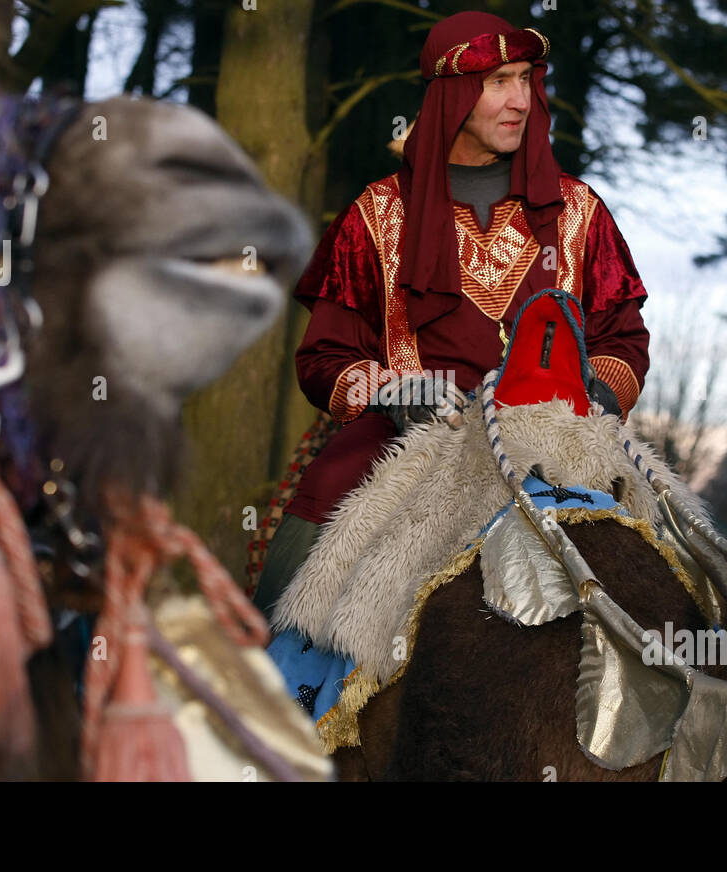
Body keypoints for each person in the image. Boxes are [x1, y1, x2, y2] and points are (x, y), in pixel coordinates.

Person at [254, 10, 651, 618]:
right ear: (454, 95)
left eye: (526, 78)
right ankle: (275, 677)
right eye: (499, 82)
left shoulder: (580, 210)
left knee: (669, 552)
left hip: (560, 439)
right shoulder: (377, 214)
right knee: (327, 493)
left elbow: (623, 337)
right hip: (410, 437)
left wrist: (596, 387)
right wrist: (389, 391)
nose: (520, 99)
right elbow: (324, 356)